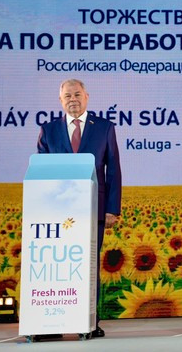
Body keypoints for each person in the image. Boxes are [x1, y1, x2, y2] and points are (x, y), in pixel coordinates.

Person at [37, 78, 122, 339]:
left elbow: (113, 169)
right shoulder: (48, 130)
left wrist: (112, 209)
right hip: (57, 212)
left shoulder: (104, 128)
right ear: (60, 100)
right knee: (60, 263)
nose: (72, 100)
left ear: (86, 97)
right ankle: (56, 320)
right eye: (67, 96)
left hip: (94, 208)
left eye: (77, 94)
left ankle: (89, 322)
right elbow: (41, 172)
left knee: (89, 265)